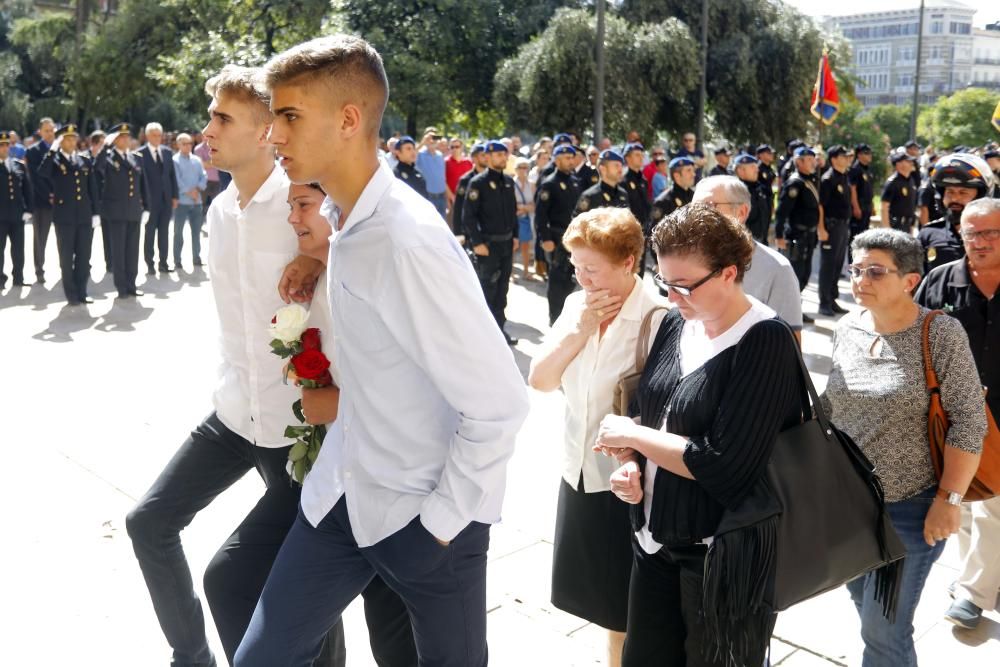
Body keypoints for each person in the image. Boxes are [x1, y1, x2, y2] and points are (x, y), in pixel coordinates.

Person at [235, 35, 530, 667]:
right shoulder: (349, 225)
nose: (273, 136)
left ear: (348, 120)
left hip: (426, 517)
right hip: (340, 499)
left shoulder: (406, 239)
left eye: (289, 117)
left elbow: (501, 403)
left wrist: (437, 529)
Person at [125, 65, 362, 667]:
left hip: (298, 431)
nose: (206, 129)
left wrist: (320, 259)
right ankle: (192, 657)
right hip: (233, 414)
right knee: (148, 523)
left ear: (265, 132)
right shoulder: (219, 211)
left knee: (281, 586)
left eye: (222, 118)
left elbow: (359, 277)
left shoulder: (307, 206)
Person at [596, 203, 802, 667]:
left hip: (719, 557)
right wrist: (629, 460)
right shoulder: (677, 321)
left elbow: (723, 466)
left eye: (684, 286)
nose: (672, 297)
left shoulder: (765, 341)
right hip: (652, 540)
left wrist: (634, 436)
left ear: (729, 272)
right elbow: (647, 411)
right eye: (664, 283)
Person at [821, 228, 986, 667]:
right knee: (866, 610)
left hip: (911, 510)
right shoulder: (847, 327)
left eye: (876, 271)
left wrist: (949, 499)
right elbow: (833, 408)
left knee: (884, 631)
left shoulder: (940, 333)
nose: (861, 280)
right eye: (855, 270)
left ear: (911, 280)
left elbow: (969, 422)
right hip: (846, 504)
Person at [528, 207, 665, 667]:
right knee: (600, 601)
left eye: (591, 268)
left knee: (628, 606)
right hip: (579, 471)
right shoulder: (575, 307)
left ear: (628, 262)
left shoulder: (659, 318)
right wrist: (580, 332)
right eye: (576, 267)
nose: (581, 278)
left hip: (630, 483)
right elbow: (541, 380)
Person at [915, 197, 1000, 630]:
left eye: (990, 233)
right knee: (964, 500)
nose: (979, 242)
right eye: (971, 233)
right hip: (953, 418)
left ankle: (973, 592)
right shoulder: (940, 281)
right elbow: (910, 333)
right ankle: (979, 577)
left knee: (994, 507)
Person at [694, 175, 803, 335]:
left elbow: (790, 343)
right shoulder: (687, 261)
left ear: (741, 212)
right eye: (693, 208)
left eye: (709, 206)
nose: (697, 216)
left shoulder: (777, 269)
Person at [463, 140, 520, 344]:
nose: (503, 158)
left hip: (505, 244)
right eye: (498, 155)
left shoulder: (508, 182)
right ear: (487, 157)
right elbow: (468, 217)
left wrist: (514, 236)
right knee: (487, 288)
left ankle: (498, 330)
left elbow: (512, 213)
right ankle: (483, 334)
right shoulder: (478, 183)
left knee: (502, 289)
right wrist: (477, 243)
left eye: (505, 155)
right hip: (487, 245)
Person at [38, 124, 100, 306]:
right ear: (61, 141)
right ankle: (71, 293)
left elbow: (92, 189)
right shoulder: (55, 161)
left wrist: (95, 212)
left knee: (84, 255)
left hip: (84, 215)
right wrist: (52, 150)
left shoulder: (84, 160)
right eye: (67, 138)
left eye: (74, 138)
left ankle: (82, 291)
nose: (72, 142)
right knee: (66, 257)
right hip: (64, 217)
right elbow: (42, 173)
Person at [919, 153, 995, 274]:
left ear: (980, 196)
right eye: (950, 192)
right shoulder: (928, 234)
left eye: (963, 192)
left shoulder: (996, 235)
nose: (955, 199)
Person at [93, 123, 146, 299]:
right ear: (114, 140)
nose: (125, 140)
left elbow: (142, 185)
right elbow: (96, 169)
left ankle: (132, 284)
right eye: (121, 137)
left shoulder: (136, 158)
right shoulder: (107, 158)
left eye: (127, 136)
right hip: (115, 212)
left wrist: (147, 207)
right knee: (119, 251)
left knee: (132, 250)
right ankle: (121, 287)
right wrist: (105, 146)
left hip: (133, 211)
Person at [536, 144, 583, 324]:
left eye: (572, 157)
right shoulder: (549, 183)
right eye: (566, 158)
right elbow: (540, 215)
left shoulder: (575, 181)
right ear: (556, 160)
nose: (570, 161)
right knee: (557, 280)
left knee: (573, 279)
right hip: (557, 237)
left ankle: (567, 320)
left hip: (575, 238)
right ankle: (554, 319)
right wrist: (545, 238)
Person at [775, 145, 820, 323]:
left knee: (805, 274)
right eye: (808, 160)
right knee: (795, 275)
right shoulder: (795, 183)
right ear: (798, 162)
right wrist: (779, 236)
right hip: (796, 235)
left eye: (813, 159)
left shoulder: (811, 180)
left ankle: (795, 310)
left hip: (809, 235)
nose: (812, 163)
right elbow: (782, 212)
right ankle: (786, 313)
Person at [818, 145, 853, 317]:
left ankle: (832, 299)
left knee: (838, 264)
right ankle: (824, 302)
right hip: (831, 227)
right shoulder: (828, 178)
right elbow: (821, 206)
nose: (847, 158)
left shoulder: (844, 176)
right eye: (843, 156)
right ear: (833, 159)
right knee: (828, 265)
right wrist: (821, 228)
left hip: (842, 226)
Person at [25, 117, 56, 283]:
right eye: (46, 131)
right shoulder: (33, 151)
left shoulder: (60, 148)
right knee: (40, 238)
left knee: (66, 236)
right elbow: (36, 178)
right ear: (40, 132)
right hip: (41, 201)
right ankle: (39, 269)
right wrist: (50, 195)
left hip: (62, 201)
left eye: (52, 130)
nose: (50, 134)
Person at [0, 131, 32, 290]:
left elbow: (27, 189)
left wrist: (28, 209)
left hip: (17, 214)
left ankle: (18, 277)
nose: (5, 148)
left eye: (7, 145)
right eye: (2, 145)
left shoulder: (18, 165)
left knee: (18, 248)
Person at [172, 132, 208, 269]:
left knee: (196, 232)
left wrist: (197, 190)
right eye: (184, 144)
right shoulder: (175, 160)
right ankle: (177, 260)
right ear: (178, 145)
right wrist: (189, 192)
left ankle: (196, 258)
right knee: (178, 233)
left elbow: (203, 176)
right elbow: (177, 180)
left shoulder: (197, 160)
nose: (188, 146)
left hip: (196, 202)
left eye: (190, 143)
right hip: (182, 202)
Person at [575, 149, 629, 215]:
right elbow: (577, 223)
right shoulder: (590, 196)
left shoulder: (623, 194)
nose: (620, 170)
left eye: (621, 166)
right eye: (616, 166)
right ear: (603, 169)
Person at [732, 153, 770, 243]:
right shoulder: (735, 191)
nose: (757, 170)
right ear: (741, 171)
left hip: (761, 241)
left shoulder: (760, 188)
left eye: (756, 166)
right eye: (753, 167)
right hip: (743, 245)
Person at [451, 142, 486, 239]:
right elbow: (458, 207)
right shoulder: (466, 180)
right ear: (474, 158)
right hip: (472, 230)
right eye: (483, 155)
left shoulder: (492, 178)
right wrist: (458, 233)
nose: (486, 157)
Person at [649, 156, 695, 226]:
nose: (693, 174)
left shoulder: (695, 196)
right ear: (677, 176)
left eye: (693, 170)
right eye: (688, 170)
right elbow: (653, 230)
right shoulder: (662, 201)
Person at [881, 151, 917, 233]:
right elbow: (884, 207)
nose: (912, 163)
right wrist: (887, 229)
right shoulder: (892, 182)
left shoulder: (910, 180)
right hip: (896, 225)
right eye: (908, 161)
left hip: (907, 224)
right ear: (899, 164)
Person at [848, 144, 875, 257]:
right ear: (859, 155)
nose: (869, 155)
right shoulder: (855, 169)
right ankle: (852, 261)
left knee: (864, 235)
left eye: (869, 153)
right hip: (859, 206)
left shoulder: (867, 169)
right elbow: (852, 189)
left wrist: (872, 206)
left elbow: (869, 189)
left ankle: (860, 259)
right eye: (866, 153)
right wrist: (856, 207)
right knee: (856, 236)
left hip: (867, 206)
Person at [513, 156, 535, 280]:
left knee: (526, 246)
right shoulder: (510, 183)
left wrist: (522, 208)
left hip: (526, 219)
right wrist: (524, 207)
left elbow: (534, 205)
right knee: (513, 246)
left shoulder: (531, 184)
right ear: (516, 169)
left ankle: (526, 271)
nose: (523, 170)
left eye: (525, 167)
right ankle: (510, 273)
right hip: (513, 219)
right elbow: (510, 204)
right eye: (520, 167)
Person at [416, 129, 447, 216]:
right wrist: (422, 142)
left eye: (434, 138)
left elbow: (442, 177)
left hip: (442, 195)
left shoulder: (440, 155)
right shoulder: (420, 154)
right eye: (429, 138)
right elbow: (410, 155)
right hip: (428, 196)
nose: (432, 141)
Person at [392, 135, 429, 199]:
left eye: (413, 148)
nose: (413, 151)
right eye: (408, 149)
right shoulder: (395, 174)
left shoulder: (417, 172)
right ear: (398, 153)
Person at [194, 133, 222, 216]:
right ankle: (199, 225)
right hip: (204, 180)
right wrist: (215, 161)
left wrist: (209, 163)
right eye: (206, 136)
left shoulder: (217, 147)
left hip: (217, 181)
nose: (208, 138)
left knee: (216, 205)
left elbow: (220, 162)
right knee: (201, 205)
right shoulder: (198, 149)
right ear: (202, 137)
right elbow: (202, 165)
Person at [444, 137, 472, 220]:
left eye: (457, 147)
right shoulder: (445, 162)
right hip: (451, 200)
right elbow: (443, 181)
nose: (454, 149)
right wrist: (451, 197)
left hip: (467, 199)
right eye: (452, 147)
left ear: (462, 148)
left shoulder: (468, 162)